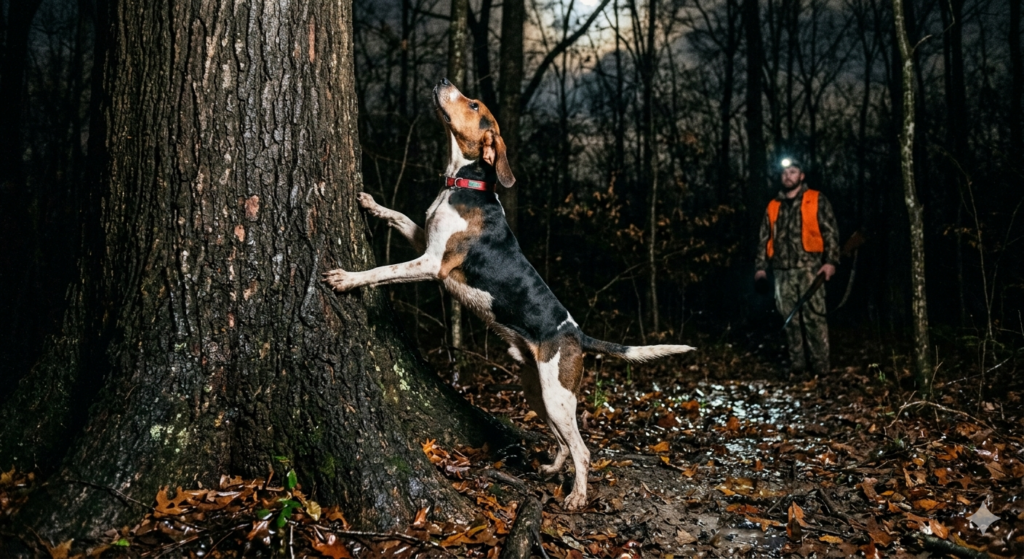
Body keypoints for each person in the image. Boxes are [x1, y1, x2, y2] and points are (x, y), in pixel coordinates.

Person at [754, 158, 839, 377]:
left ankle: (821, 370)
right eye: (784, 173)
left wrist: (830, 262)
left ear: (801, 176)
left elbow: (830, 232)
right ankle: (798, 368)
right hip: (781, 272)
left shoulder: (816, 199)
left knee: (814, 318)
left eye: (793, 172)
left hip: (811, 269)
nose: (788, 176)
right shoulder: (773, 206)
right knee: (790, 319)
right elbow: (764, 239)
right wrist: (761, 268)